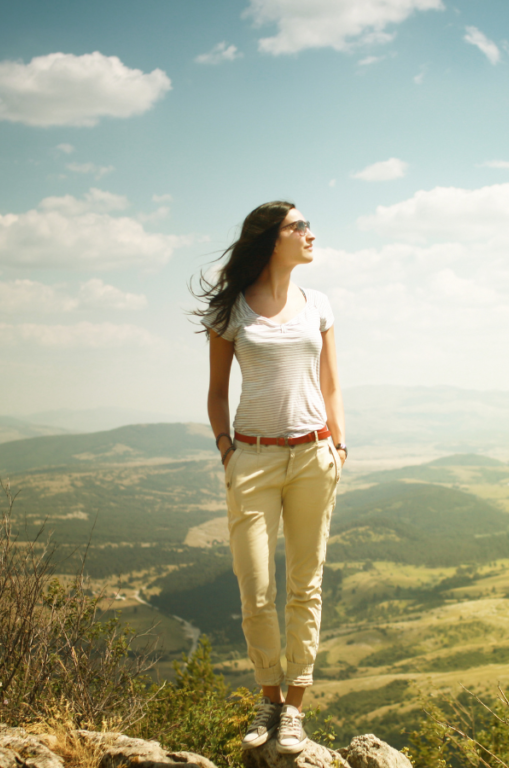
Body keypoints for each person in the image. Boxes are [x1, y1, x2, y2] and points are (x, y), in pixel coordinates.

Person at [197, 201, 346, 754]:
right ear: (271, 238)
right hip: (253, 462)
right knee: (256, 589)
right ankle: (269, 698)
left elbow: (331, 386)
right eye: (299, 226)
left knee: (305, 587)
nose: (310, 233)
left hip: (313, 458)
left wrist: (340, 445)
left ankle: (295, 711)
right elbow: (216, 393)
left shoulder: (319, 305)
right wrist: (227, 451)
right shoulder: (232, 310)